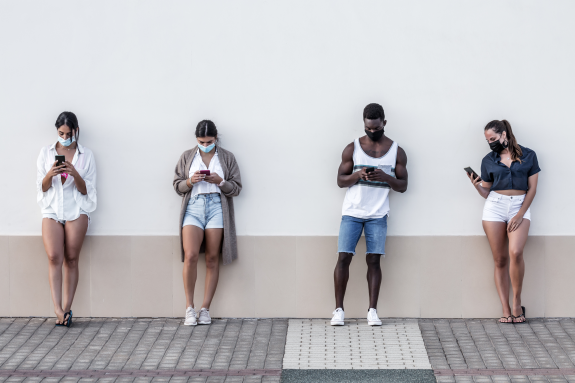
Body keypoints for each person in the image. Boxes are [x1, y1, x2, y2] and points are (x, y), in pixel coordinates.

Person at [331, 103, 408, 326]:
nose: (372, 132)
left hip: (378, 214)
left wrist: (386, 177)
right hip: (352, 212)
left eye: (376, 128)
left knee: (374, 260)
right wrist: (358, 175)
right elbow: (339, 181)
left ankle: (372, 311)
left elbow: (403, 186)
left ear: (384, 123)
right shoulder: (352, 148)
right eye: (368, 128)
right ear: (364, 124)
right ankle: (338, 311)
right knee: (343, 257)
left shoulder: (396, 151)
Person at [467, 120, 540, 324]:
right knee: (499, 259)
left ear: (504, 134)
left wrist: (519, 214)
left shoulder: (528, 155)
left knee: (516, 252)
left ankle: (517, 303)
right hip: (495, 207)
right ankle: (505, 309)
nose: (491, 143)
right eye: (488, 140)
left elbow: (532, 189)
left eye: (493, 139)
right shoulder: (488, 160)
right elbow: (486, 191)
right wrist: (476, 185)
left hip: (519, 206)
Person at [173, 120, 242, 326]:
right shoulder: (187, 156)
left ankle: (205, 309)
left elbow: (236, 188)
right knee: (191, 255)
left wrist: (220, 181)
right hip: (193, 207)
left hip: (216, 207)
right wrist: (189, 181)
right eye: (201, 141)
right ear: (196, 139)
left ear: (216, 138)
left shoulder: (227, 157)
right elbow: (177, 185)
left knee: (212, 258)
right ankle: (189, 308)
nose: (205, 144)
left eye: (209, 141)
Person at [36, 111, 97, 327]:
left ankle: (68, 309)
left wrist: (74, 173)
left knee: (71, 258)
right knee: (54, 256)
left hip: (77, 208)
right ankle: (57, 309)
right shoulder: (46, 153)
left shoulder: (86, 155)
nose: (64, 137)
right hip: (52, 209)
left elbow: (86, 191)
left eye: (68, 133)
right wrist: (50, 174)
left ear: (76, 131)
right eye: (60, 133)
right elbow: (41, 188)